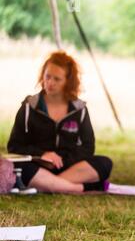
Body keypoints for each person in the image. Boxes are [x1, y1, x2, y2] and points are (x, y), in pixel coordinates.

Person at [7, 51, 113, 193]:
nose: (50, 83)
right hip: (37, 167)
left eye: (57, 79)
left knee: (105, 163)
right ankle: (78, 188)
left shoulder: (79, 109)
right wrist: (42, 155)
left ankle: (47, 186)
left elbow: (88, 147)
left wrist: (63, 161)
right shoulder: (28, 107)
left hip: (69, 167)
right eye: (47, 76)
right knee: (20, 168)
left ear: (68, 82)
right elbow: (14, 147)